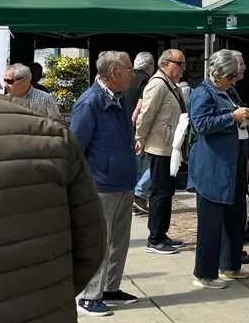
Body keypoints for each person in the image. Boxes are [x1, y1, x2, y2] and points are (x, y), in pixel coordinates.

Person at [0, 12, 107, 323]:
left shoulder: (47, 121)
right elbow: (91, 245)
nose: (6, 85)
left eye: (10, 81)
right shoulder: (50, 137)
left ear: (24, 81)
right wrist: (43, 294)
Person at [70, 51, 140, 317]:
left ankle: (111, 288)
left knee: (118, 240)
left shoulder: (118, 98)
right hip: (101, 183)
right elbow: (76, 146)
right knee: (100, 240)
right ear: (114, 73)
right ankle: (89, 295)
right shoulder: (90, 102)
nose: (132, 75)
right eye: (129, 70)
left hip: (122, 180)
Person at [188, 50, 249, 289]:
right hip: (213, 166)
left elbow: (237, 121)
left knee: (235, 217)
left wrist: (247, 119)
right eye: (230, 76)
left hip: (233, 162)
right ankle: (204, 273)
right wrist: (232, 117)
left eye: (234, 77)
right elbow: (202, 124)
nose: (233, 81)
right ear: (218, 74)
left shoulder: (229, 91)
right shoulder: (202, 93)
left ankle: (230, 265)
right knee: (210, 223)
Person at [135, 49, 187, 255]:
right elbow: (146, 114)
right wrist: (140, 137)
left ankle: (161, 233)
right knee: (160, 193)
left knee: (167, 193)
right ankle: (154, 238)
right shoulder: (157, 84)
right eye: (179, 63)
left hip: (169, 147)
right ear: (166, 63)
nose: (183, 68)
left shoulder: (170, 84)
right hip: (160, 147)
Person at [127, 52, 155, 214]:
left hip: (125, 127)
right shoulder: (146, 81)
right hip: (138, 128)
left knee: (137, 165)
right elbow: (140, 107)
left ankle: (136, 200)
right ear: (150, 66)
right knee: (151, 164)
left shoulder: (126, 78)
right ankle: (139, 194)